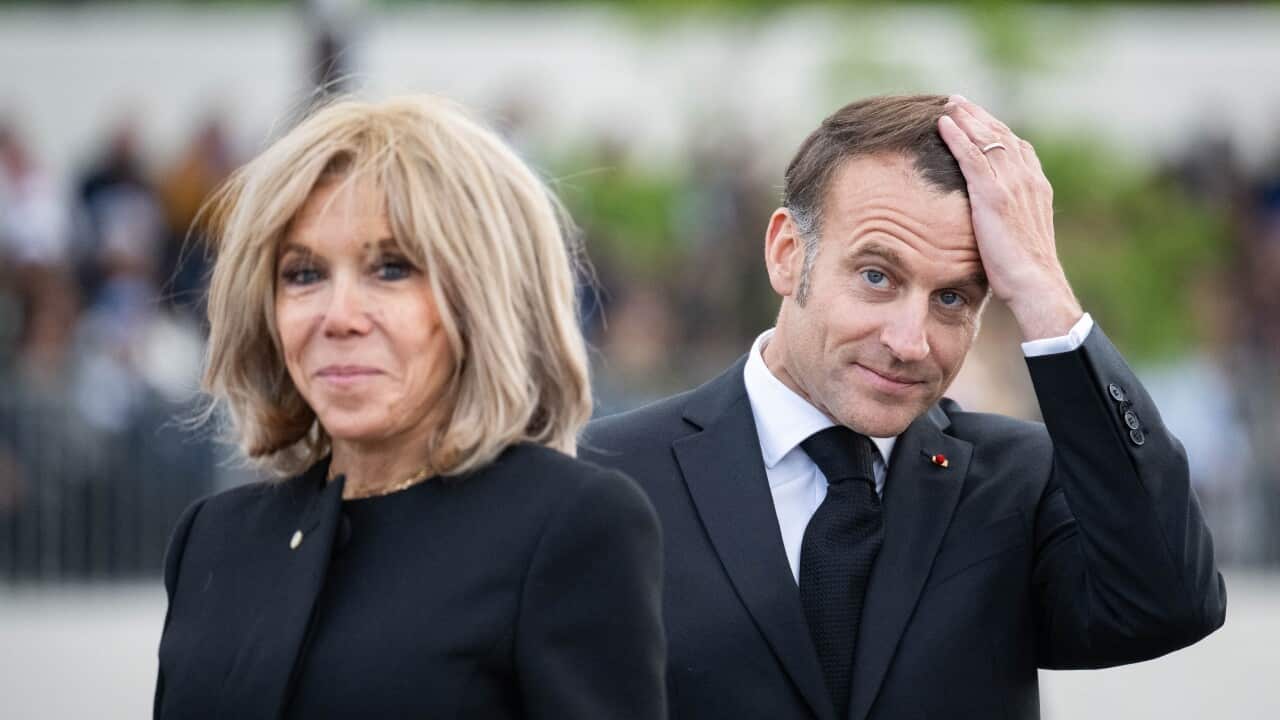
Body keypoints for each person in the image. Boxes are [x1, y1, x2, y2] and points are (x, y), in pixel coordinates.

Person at [582, 94, 1226, 720]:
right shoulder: (611, 474)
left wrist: (1043, 288)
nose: (910, 342)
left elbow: (1169, 602)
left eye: (952, 298)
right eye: (876, 277)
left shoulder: (1018, 483)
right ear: (787, 254)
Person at [154, 95, 665, 719]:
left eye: (391, 269)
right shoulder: (213, 540)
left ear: (484, 296)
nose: (339, 316)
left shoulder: (570, 526)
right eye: (304, 274)